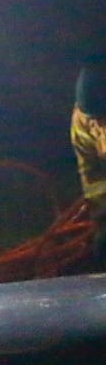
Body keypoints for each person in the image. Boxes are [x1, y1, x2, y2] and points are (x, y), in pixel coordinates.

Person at [71, 54, 106, 270]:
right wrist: (101, 215)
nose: (99, 125)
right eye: (95, 119)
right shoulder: (83, 120)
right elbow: (91, 173)